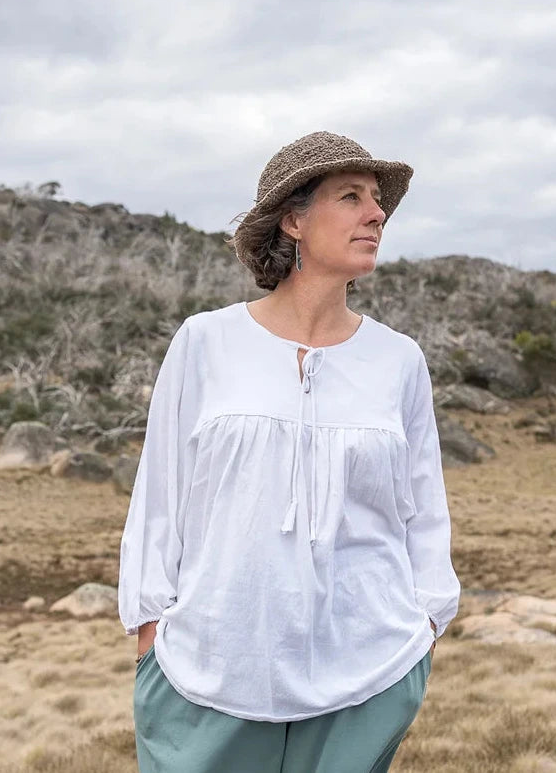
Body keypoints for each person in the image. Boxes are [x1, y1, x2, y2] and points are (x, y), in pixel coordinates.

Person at [118, 130, 460, 773]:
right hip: (207, 670)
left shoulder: (398, 360)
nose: (376, 214)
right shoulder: (206, 342)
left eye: (377, 200)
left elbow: (423, 510)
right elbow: (160, 494)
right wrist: (150, 630)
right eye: (351, 196)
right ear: (293, 220)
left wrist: (427, 624)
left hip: (368, 674)